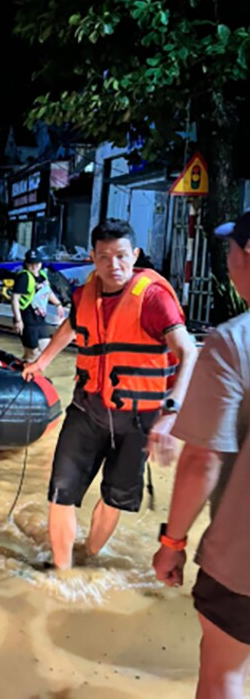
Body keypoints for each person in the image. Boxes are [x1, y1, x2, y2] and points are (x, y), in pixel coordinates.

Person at [23, 218, 198, 570]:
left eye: (121, 256)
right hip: (87, 409)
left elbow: (189, 352)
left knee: (115, 498)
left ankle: (87, 556)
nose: (112, 265)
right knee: (61, 493)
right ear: (92, 257)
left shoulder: (153, 299)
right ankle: (62, 575)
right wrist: (41, 362)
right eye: (104, 257)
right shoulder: (84, 293)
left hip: (138, 417)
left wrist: (172, 412)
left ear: (134, 255)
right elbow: (72, 325)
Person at [153, 209, 250, 699]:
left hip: (243, 561)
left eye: (233, 248)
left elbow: (203, 461)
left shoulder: (233, 342)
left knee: (223, 674)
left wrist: (172, 543)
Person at [11, 249, 65, 362]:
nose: (34, 266)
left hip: (40, 320)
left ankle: (34, 375)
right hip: (27, 320)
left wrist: (58, 304)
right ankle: (20, 373)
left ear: (41, 263)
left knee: (46, 351)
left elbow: (48, 292)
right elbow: (15, 299)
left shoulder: (43, 275)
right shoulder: (24, 277)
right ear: (26, 263)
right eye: (31, 263)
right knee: (31, 354)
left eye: (37, 263)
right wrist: (18, 320)